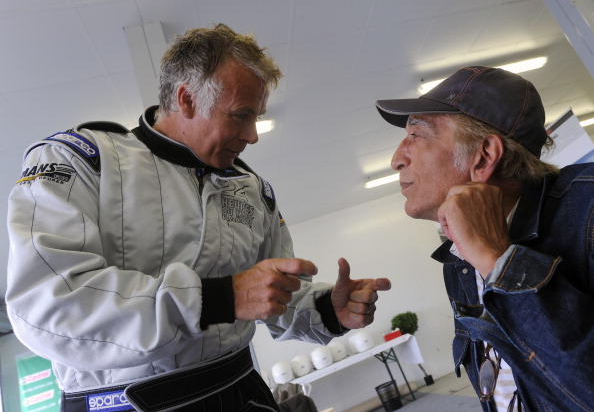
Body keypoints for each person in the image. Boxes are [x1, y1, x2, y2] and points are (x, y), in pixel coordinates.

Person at [6, 24, 391, 412]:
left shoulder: (252, 190)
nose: (253, 135)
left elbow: (274, 297)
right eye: (241, 115)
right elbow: (46, 307)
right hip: (125, 403)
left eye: (256, 116)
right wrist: (219, 299)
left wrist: (330, 309)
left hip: (242, 390)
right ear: (186, 99)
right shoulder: (83, 162)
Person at [375, 66, 594, 411]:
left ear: (484, 156)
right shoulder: (456, 260)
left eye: (416, 135)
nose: (396, 159)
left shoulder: (589, 208)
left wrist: (499, 260)